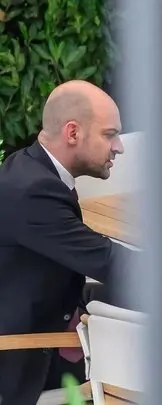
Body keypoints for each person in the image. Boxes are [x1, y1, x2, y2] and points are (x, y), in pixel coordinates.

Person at [0, 80, 135, 404]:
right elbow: (109, 262)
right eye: (109, 135)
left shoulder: (31, 167)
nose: (119, 147)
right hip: (25, 355)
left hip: (52, 305)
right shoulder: (33, 192)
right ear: (72, 133)